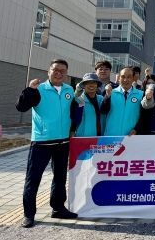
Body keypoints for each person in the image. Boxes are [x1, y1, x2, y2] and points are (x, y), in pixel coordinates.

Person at [16, 59, 78, 228]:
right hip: (41, 142)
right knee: (33, 179)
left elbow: (73, 112)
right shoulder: (39, 89)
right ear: (48, 71)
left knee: (60, 177)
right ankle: (29, 214)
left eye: (62, 71)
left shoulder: (69, 90)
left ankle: (58, 208)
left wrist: (73, 129)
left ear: (66, 73)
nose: (59, 73)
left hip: (63, 141)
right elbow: (21, 107)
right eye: (55, 70)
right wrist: (29, 90)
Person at [100, 66, 144, 136]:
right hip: (111, 136)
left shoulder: (141, 94)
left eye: (129, 77)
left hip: (130, 137)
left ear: (133, 78)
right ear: (119, 78)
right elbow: (103, 111)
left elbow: (143, 116)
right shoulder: (110, 92)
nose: (125, 80)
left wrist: (137, 129)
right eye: (123, 77)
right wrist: (107, 96)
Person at [71, 73, 104, 137]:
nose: (91, 85)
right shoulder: (80, 100)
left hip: (99, 137)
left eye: (94, 82)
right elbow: (73, 117)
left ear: (97, 85)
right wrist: (72, 131)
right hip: (82, 137)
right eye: (88, 83)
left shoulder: (101, 99)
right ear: (83, 85)